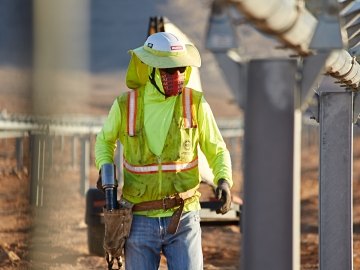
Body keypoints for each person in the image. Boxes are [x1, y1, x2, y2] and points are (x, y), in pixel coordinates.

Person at [95, 31, 233, 270]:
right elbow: (104, 141)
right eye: (168, 70)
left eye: (180, 69)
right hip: (138, 220)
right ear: (150, 69)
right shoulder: (125, 105)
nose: (176, 76)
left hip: (184, 216)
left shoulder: (195, 103)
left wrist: (224, 179)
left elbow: (216, 147)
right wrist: (105, 168)